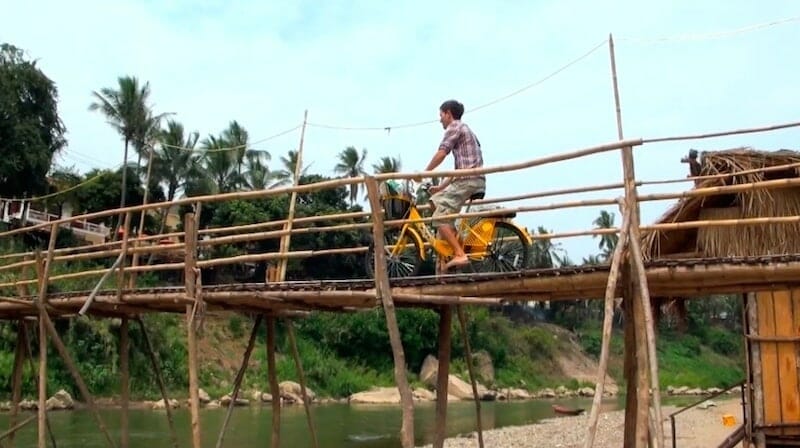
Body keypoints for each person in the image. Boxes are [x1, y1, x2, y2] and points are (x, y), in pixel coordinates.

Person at [421, 99, 485, 271]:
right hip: (468, 180)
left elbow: (442, 153)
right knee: (435, 200)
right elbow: (458, 169)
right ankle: (451, 242)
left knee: (438, 218)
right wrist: (440, 188)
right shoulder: (465, 129)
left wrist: (424, 173)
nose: (440, 119)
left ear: (448, 114)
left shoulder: (455, 127)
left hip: (468, 181)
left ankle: (459, 254)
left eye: (441, 115)